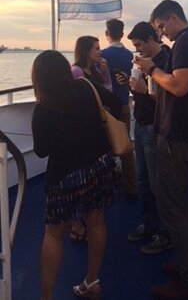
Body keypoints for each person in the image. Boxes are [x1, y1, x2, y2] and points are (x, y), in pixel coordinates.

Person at [134, 0, 188, 299]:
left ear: (172, 17)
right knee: (182, 203)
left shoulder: (186, 41)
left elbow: (179, 87)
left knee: (171, 205)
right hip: (186, 135)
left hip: (178, 137)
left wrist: (152, 68)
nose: (162, 34)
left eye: (161, 27)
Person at [31, 50, 121, 300]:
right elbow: (114, 103)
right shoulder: (85, 86)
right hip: (99, 166)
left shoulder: (43, 108)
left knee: (53, 234)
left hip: (65, 177)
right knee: (96, 223)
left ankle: (46, 297)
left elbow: (40, 151)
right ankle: (92, 282)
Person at [119, 21, 173, 255]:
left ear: (152, 39)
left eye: (140, 45)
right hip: (140, 125)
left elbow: (169, 98)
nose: (138, 50)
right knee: (142, 181)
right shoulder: (143, 63)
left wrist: (143, 89)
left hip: (154, 127)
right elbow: (143, 93)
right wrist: (132, 87)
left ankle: (165, 233)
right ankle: (149, 224)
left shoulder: (165, 63)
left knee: (157, 184)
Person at [69, 35, 113, 245]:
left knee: (92, 179)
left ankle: (89, 219)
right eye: (96, 48)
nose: (100, 52)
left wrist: (105, 74)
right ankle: (77, 224)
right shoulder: (76, 72)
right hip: (81, 134)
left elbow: (108, 93)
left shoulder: (94, 71)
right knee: (81, 180)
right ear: (86, 50)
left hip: (97, 130)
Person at [101, 19, 138, 199]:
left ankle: (106, 186)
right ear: (122, 34)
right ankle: (131, 186)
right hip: (123, 104)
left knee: (104, 148)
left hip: (106, 108)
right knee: (126, 147)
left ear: (107, 34)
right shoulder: (129, 55)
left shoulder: (101, 55)